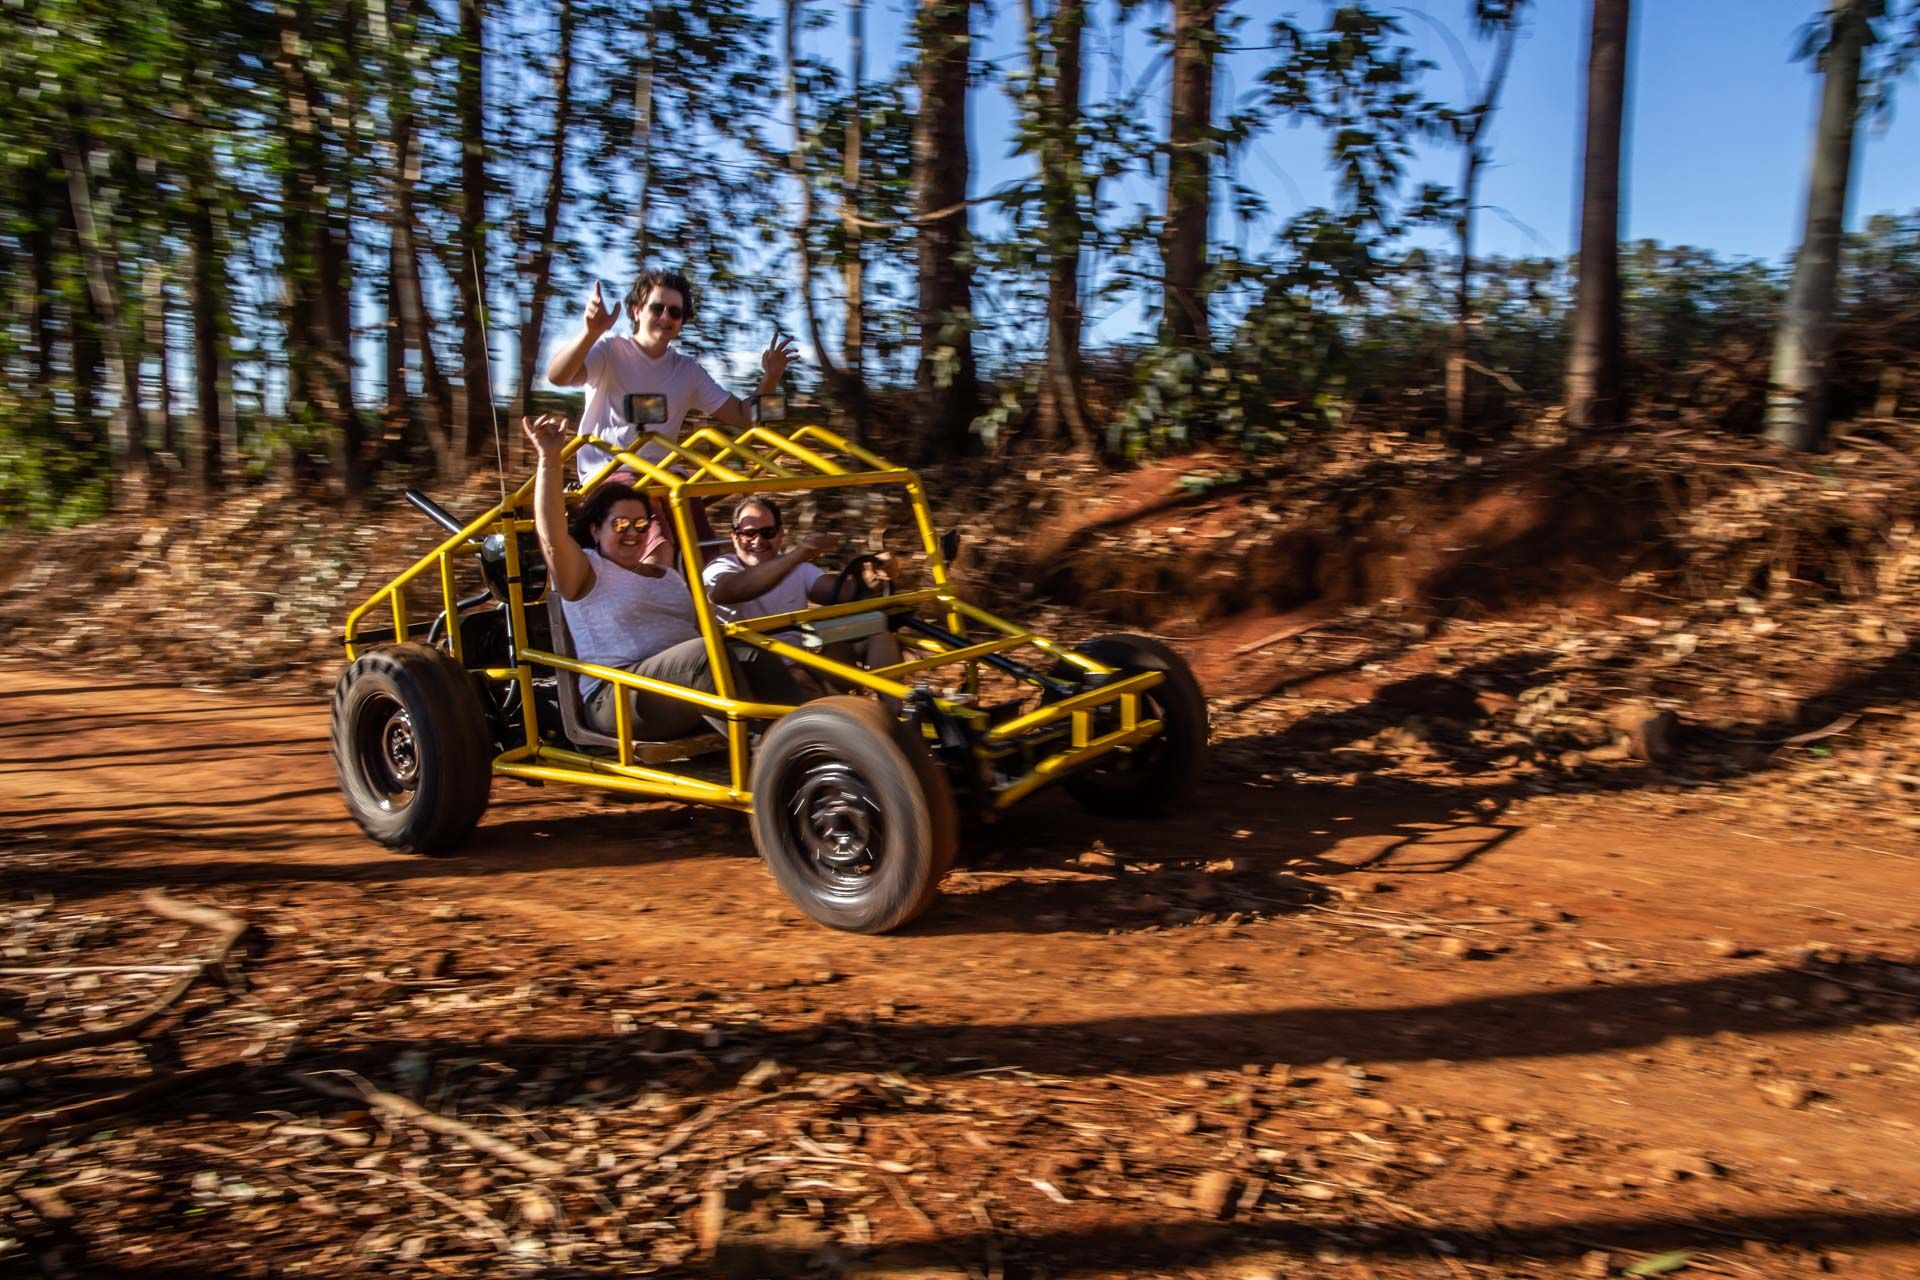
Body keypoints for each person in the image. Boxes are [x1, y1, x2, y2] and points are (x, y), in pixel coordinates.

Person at [522, 413, 806, 740]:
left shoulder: (667, 576)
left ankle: (813, 738)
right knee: (704, 658)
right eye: (620, 525)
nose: (632, 533)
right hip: (618, 695)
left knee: (752, 654)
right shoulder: (586, 570)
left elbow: (706, 633)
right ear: (594, 530)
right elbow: (552, 536)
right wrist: (548, 459)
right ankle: (769, 754)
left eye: (641, 525)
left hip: (679, 688)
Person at [544, 268, 798, 482]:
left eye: (675, 312)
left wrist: (771, 378)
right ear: (636, 310)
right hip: (611, 473)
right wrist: (590, 334)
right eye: (657, 308)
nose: (665, 317)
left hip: (665, 476)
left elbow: (743, 417)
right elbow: (558, 376)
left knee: (699, 529)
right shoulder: (609, 351)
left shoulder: (687, 371)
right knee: (657, 524)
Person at [702, 494, 903, 697]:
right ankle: (839, 712)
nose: (758, 540)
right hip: (749, 670)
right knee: (801, 679)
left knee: (879, 637)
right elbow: (730, 591)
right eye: (749, 534)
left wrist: (872, 570)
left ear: (780, 534)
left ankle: (897, 718)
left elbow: (838, 592)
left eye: (767, 532)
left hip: (799, 661)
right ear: (734, 537)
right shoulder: (722, 567)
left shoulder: (796, 567)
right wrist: (798, 554)